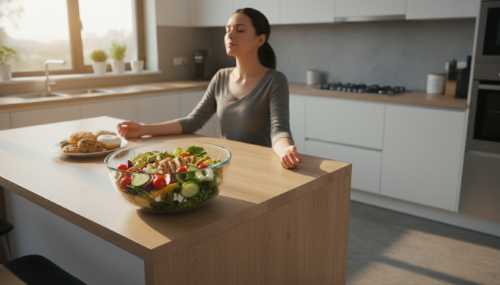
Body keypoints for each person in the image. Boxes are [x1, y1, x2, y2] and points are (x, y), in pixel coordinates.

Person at [117, 8, 301, 169]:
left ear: (260, 39)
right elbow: (192, 121)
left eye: (240, 30)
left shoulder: (275, 80)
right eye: (227, 30)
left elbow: (279, 132)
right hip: (227, 163)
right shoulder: (221, 77)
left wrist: (286, 150)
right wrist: (143, 129)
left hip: (260, 166)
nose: (230, 35)